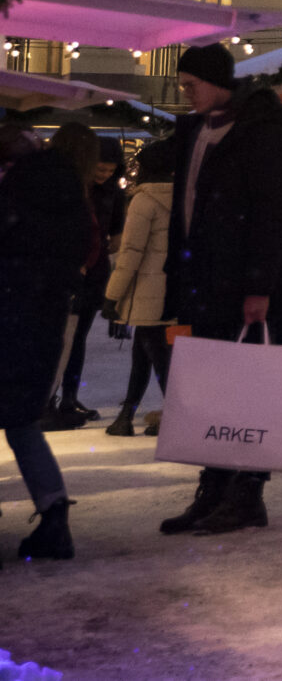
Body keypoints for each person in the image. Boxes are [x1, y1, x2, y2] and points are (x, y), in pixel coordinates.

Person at [156, 42, 282, 538]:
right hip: (202, 279)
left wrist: (258, 285)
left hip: (243, 282)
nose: (185, 93)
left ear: (217, 82)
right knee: (212, 391)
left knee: (249, 388)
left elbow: (272, 214)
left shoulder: (260, 133)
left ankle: (247, 494)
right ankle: (214, 488)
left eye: (190, 84)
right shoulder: (198, 131)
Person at [0, 115, 86, 561]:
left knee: (19, 421)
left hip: (10, 309)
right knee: (22, 422)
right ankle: (54, 519)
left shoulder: (12, 187)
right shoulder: (61, 179)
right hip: (42, 316)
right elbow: (80, 245)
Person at [41, 124, 117, 431]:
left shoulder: (49, 178)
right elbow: (79, 231)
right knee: (60, 341)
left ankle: (51, 401)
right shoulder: (67, 184)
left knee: (64, 340)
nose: (103, 173)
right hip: (63, 276)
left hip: (61, 275)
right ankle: (44, 404)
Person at [104, 138, 178, 436]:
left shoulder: (144, 201)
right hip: (174, 291)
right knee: (145, 351)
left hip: (148, 293)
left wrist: (112, 295)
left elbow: (130, 254)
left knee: (156, 353)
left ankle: (175, 414)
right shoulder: (186, 197)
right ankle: (126, 413)